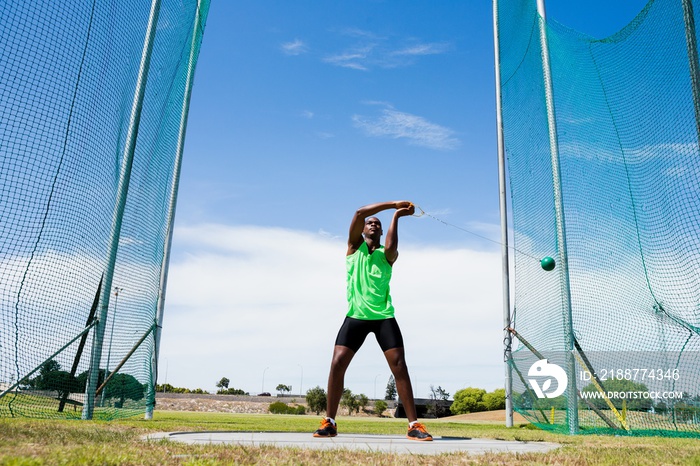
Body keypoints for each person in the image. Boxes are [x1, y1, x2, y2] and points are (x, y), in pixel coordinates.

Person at [313, 201, 433, 441]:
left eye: (377, 224)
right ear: (363, 229)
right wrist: (392, 204)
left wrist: (397, 216)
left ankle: (414, 425)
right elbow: (358, 212)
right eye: (370, 223)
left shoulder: (386, 255)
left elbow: (391, 246)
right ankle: (330, 422)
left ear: (380, 231)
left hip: (383, 317)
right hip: (356, 316)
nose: (373, 224)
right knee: (337, 363)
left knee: (399, 365)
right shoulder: (352, 248)